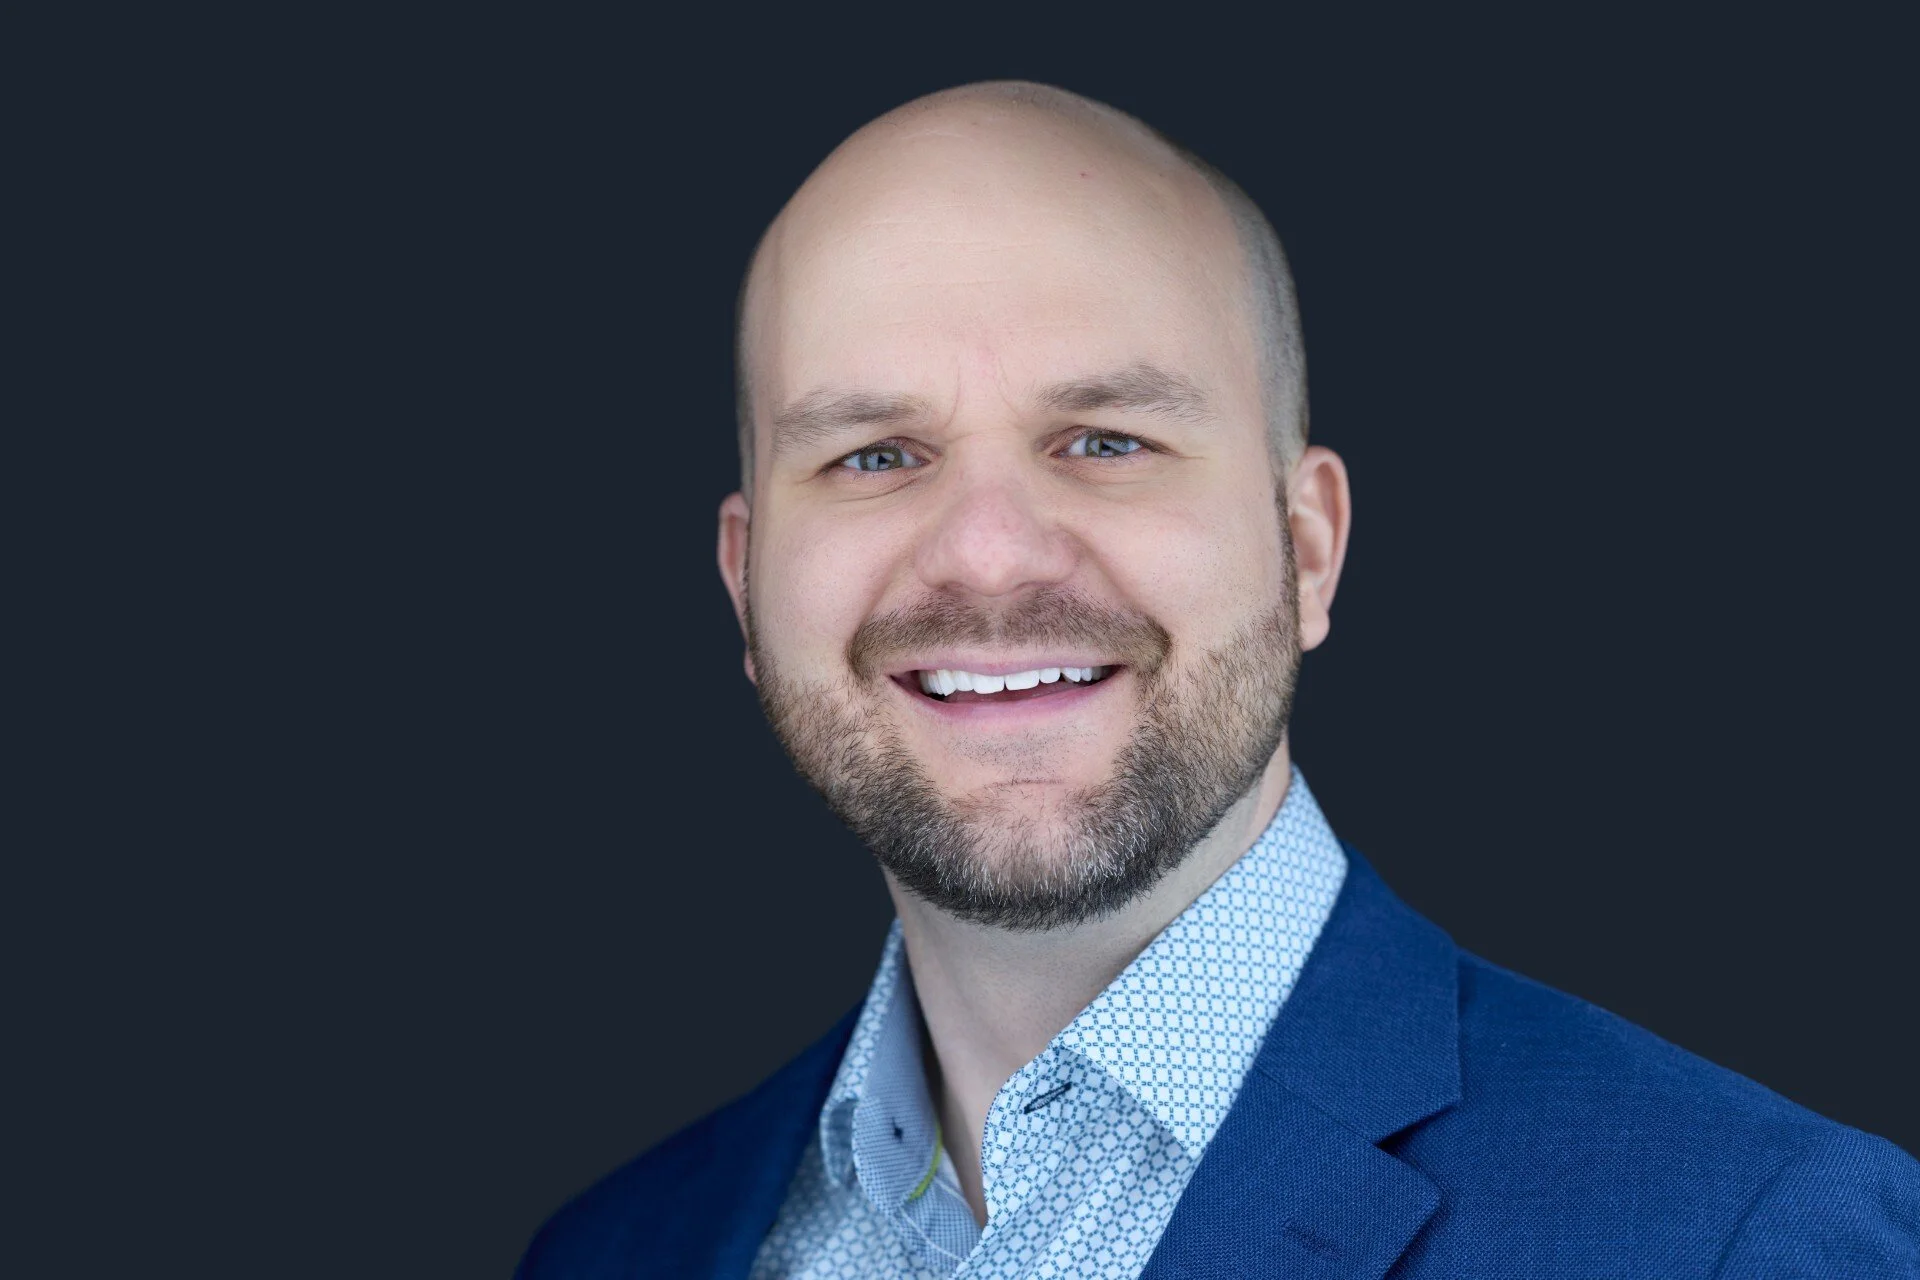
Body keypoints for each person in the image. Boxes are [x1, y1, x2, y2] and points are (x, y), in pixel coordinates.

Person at [517, 81, 1919, 1278]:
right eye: (872, 456)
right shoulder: (622, 1247)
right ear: (748, 583)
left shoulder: (1737, 1233)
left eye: (1107, 438)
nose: (991, 555)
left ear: (1306, 550)